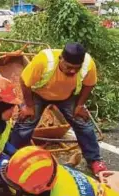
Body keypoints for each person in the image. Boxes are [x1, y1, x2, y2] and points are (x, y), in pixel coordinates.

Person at [9, 43, 107, 176]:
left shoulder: (88, 64)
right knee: (25, 122)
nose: (72, 71)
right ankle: (11, 157)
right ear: (60, 58)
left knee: (83, 124)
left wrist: (79, 106)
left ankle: (94, 161)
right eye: (69, 67)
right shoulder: (43, 60)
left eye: (76, 68)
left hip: (67, 96)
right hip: (39, 93)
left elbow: (90, 84)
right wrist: (29, 106)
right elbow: (25, 81)